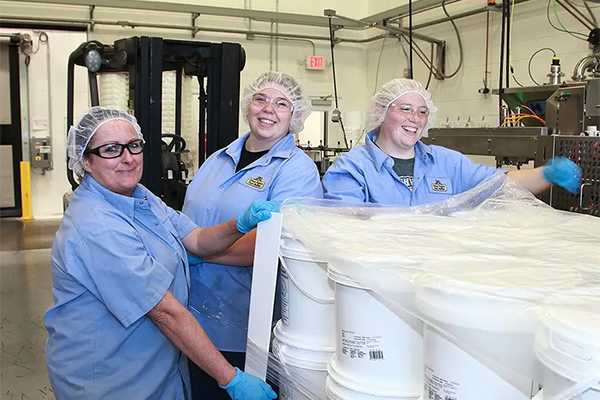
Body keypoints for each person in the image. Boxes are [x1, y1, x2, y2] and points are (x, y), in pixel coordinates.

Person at [45, 107, 279, 400]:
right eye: (111, 150)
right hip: (110, 378)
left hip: (152, 367)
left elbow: (196, 240)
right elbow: (165, 313)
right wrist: (231, 379)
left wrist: (240, 224)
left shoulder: (140, 197)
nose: (128, 158)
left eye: (133, 145)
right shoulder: (97, 226)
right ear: (86, 162)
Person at [182, 71, 322, 399]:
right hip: (192, 318)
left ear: (295, 115)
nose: (268, 108)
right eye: (261, 99)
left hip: (244, 323)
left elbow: (269, 243)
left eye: (282, 103)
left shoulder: (296, 170)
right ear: (248, 106)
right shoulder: (218, 159)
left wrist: (199, 250)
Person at [322, 78, 581, 205]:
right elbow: (346, 231)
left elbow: (500, 186)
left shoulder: (445, 162)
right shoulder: (351, 168)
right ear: (381, 112)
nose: (415, 118)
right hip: (374, 285)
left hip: (434, 280)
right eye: (405, 109)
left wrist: (547, 174)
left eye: (422, 112)